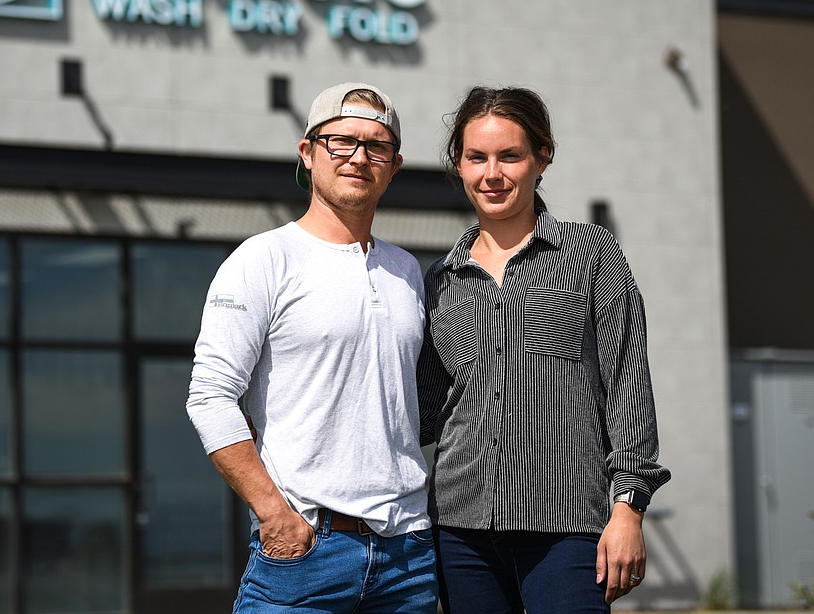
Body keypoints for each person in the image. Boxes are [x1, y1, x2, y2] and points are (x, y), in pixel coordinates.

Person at [418, 86, 671, 613]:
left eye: (510, 156)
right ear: (459, 166)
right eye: (476, 158)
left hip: (565, 526)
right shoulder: (442, 279)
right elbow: (423, 413)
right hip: (461, 534)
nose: (492, 174)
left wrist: (628, 508)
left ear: (542, 158)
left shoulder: (591, 254)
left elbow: (627, 388)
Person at [186, 83, 438, 613]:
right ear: (308, 153)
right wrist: (274, 514)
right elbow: (210, 397)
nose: (359, 158)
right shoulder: (263, 259)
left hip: (408, 557)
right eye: (341, 142)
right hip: (304, 551)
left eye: (377, 146)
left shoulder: (407, 271)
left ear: (394, 166)